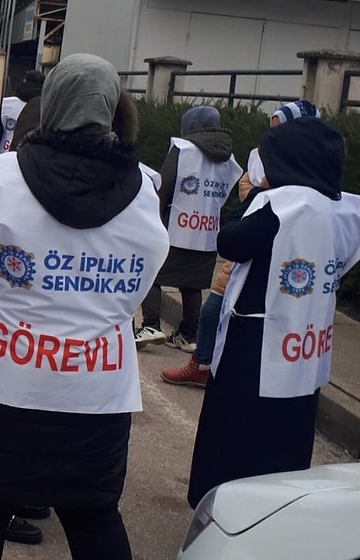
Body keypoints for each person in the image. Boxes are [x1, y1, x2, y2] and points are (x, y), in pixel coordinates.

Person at [0, 53, 169, 560]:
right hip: (92, 392)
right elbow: (141, 285)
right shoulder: (147, 192)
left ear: (50, 104)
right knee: (92, 512)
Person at [186, 116, 360, 509]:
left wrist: (252, 199)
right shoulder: (345, 208)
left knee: (236, 437)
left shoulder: (279, 204)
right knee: (288, 437)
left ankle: (224, 512)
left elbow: (230, 241)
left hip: (255, 345)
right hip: (304, 345)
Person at [161, 100, 320, 387]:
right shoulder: (259, 156)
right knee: (213, 309)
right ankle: (202, 362)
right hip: (243, 247)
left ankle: (218, 365)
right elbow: (246, 189)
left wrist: (262, 194)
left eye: (279, 129)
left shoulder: (308, 171)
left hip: (276, 254)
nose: (272, 136)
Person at [135, 106, 242, 352]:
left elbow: (164, 185)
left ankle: (151, 324)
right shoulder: (229, 159)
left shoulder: (182, 150)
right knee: (192, 284)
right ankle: (188, 334)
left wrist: (154, 216)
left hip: (176, 228)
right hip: (207, 232)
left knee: (151, 273)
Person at [0, 70, 44, 157]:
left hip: (3, 158)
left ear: (24, 81)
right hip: (30, 162)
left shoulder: (7, 104)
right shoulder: (45, 108)